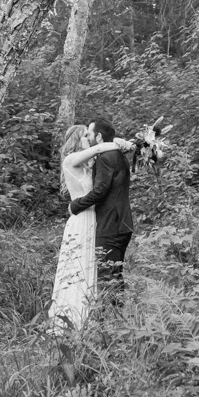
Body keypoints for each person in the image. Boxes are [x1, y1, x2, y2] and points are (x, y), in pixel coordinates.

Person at [48, 124, 127, 332]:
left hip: (95, 219)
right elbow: (100, 149)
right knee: (77, 266)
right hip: (81, 218)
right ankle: (70, 318)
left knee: (92, 267)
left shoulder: (87, 164)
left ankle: (91, 318)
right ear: (76, 140)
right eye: (85, 136)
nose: (88, 139)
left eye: (89, 135)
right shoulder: (71, 160)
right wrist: (120, 143)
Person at [69, 116, 134, 303]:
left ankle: (111, 320)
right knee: (115, 273)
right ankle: (117, 316)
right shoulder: (119, 155)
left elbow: (99, 191)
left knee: (107, 275)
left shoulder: (105, 158)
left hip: (111, 224)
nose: (87, 137)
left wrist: (75, 206)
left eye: (89, 133)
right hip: (122, 222)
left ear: (98, 137)